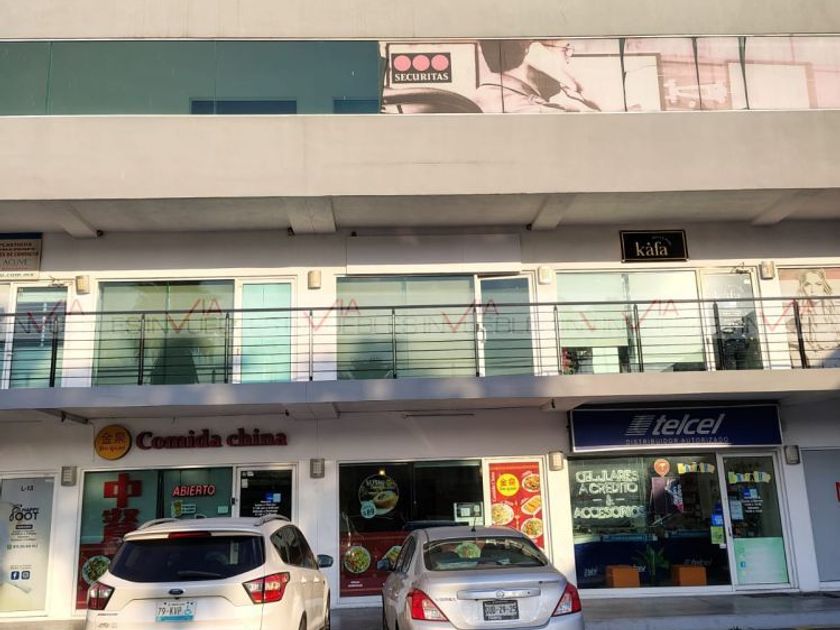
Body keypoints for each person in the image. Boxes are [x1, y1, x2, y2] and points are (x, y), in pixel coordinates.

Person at [474, 40, 601, 113]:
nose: (569, 59)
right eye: (566, 49)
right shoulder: (530, 109)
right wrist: (580, 87)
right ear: (532, 49)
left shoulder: (490, 93)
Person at [788, 268, 840, 368]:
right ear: (802, 288)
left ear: (824, 286)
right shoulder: (796, 319)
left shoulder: (836, 313)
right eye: (808, 284)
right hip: (813, 366)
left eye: (818, 284)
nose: (813, 290)